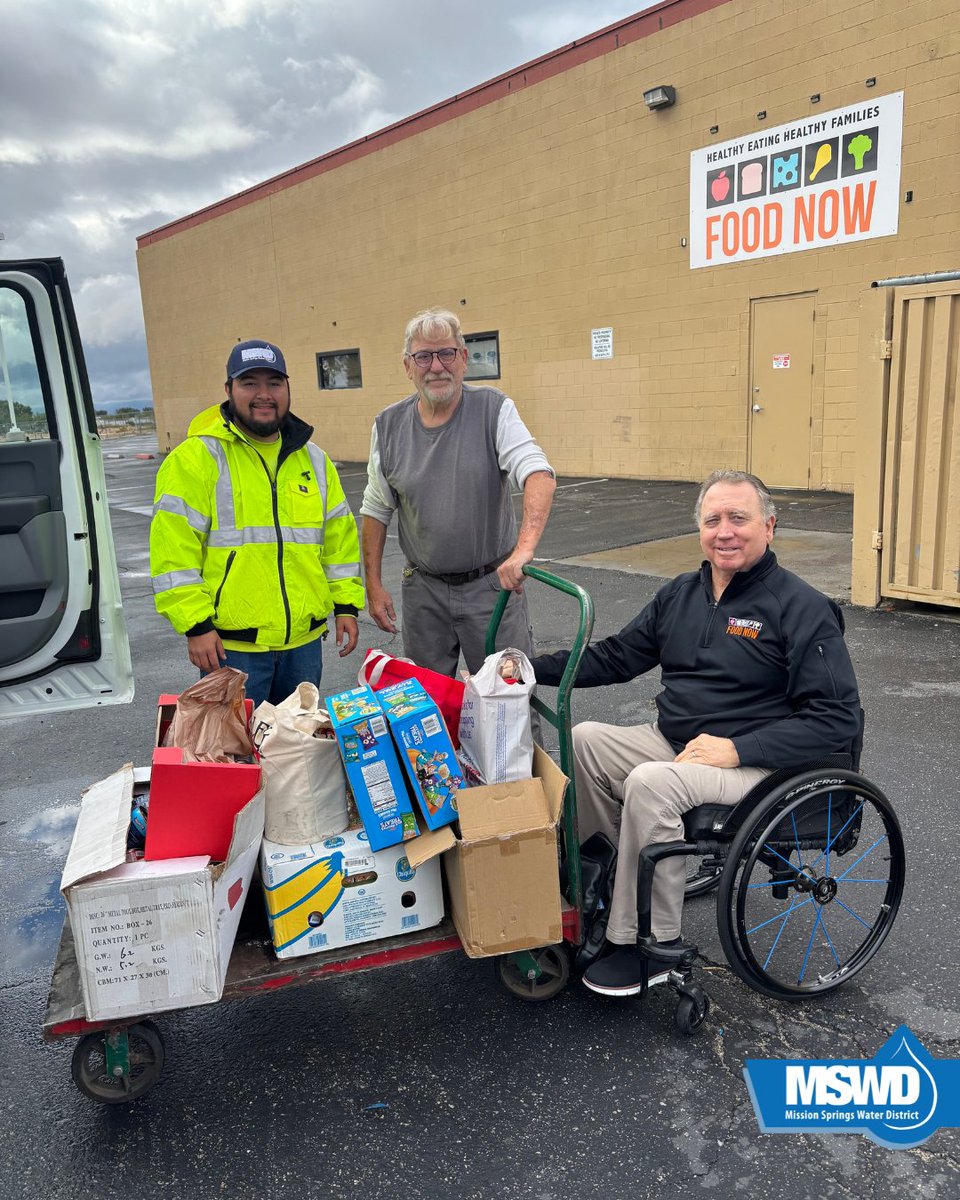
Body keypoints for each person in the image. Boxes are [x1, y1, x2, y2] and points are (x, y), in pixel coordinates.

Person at [530, 469, 861, 997]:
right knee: (587, 739)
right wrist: (528, 667)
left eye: (739, 518)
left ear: (769, 526)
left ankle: (648, 941)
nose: (724, 531)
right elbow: (618, 655)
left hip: (760, 766)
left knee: (652, 784)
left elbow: (836, 719)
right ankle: (606, 882)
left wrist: (736, 749)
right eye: (713, 520)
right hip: (681, 742)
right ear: (700, 531)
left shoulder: (801, 609)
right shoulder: (682, 593)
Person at [150, 339, 364, 708]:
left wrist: (346, 605)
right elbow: (173, 552)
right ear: (229, 390)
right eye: (250, 383)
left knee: (297, 754)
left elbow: (338, 540)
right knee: (235, 756)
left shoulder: (313, 460)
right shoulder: (197, 458)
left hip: (303, 646)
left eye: (274, 383)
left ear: (287, 389)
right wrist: (196, 625)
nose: (264, 394)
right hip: (231, 650)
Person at [360, 308, 556, 676]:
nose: (436, 366)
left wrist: (524, 549)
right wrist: (372, 585)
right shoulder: (388, 426)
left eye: (446, 353)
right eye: (424, 356)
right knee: (425, 704)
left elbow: (537, 473)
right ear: (408, 366)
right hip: (424, 592)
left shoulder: (494, 409)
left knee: (508, 700)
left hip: (490, 587)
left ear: (463, 359)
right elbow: (376, 508)